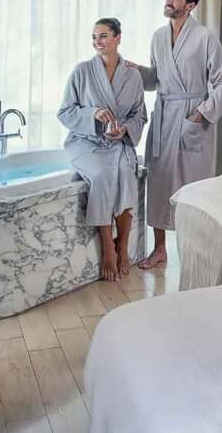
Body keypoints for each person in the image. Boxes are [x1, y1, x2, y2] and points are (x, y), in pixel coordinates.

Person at [134, 0, 222, 269]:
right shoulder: (158, 37)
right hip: (165, 116)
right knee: (159, 182)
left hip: (191, 116)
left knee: (194, 186)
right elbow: (156, 80)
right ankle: (159, 250)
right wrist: (134, 71)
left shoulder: (204, 37)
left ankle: (197, 251)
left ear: (190, 5)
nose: (168, 1)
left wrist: (202, 113)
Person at [58, 18, 146, 281]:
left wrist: (125, 129)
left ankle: (123, 245)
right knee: (101, 175)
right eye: (94, 37)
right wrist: (93, 114)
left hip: (118, 142)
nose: (98, 42)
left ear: (118, 38)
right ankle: (108, 246)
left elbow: (139, 115)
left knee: (127, 174)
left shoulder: (133, 75)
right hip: (86, 142)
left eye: (104, 36)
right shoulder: (82, 71)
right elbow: (65, 112)